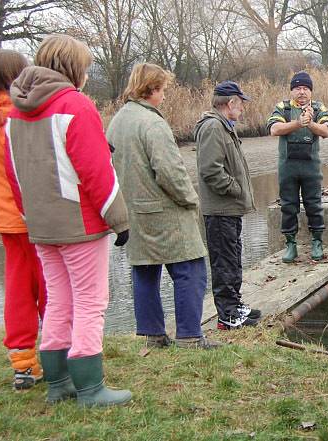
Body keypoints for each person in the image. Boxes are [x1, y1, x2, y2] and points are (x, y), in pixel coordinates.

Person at [5, 34, 131, 407]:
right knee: (91, 300)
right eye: (87, 68)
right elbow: (97, 171)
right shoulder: (75, 106)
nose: (88, 76)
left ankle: (58, 382)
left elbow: (15, 176)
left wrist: (31, 217)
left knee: (58, 299)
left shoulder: (14, 113)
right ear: (74, 68)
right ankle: (91, 388)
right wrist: (118, 219)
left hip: (41, 225)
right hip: (80, 224)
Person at [107, 63, 220, 349]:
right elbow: (169, 171)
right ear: (151, 89)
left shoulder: (118, 120)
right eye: (163, 90)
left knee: (144, 269)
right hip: (164, 211)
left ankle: (152, 335)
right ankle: (190, 337)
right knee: (191, 269)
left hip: (133, 210)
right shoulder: (152, 123)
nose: (165, 96)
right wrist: (190, 199)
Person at [0, 48, 47, 389]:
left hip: (5, 218)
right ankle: (64, 351)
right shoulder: (15, 117)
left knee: (18, 288)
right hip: (31, 215)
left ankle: (23, 361)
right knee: (50, 288)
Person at [193, 80, 260, 330]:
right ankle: (227, 315)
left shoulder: (223, 126)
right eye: (240, 103)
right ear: (230, 103)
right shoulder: (213, 127)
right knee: (224, 262)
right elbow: (211, 170)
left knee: (232, 259)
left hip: (229, 208)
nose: (242, 108)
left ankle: (235, 305)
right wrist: (236, 190)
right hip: (220, 209)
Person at [267, 71, 328, 263]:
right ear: (292, 91)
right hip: (287, 166)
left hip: (311, 166)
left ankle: (317, 242)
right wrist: (298, 123)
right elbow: (274, 129)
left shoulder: (319, 107)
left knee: (314, 203)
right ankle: (290, 244)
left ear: (310, 91)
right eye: (297, 88)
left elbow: (326, 132)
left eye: (305, 88)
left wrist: (310, 123)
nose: (301, 92)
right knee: (288, 205)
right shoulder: (283, 108)